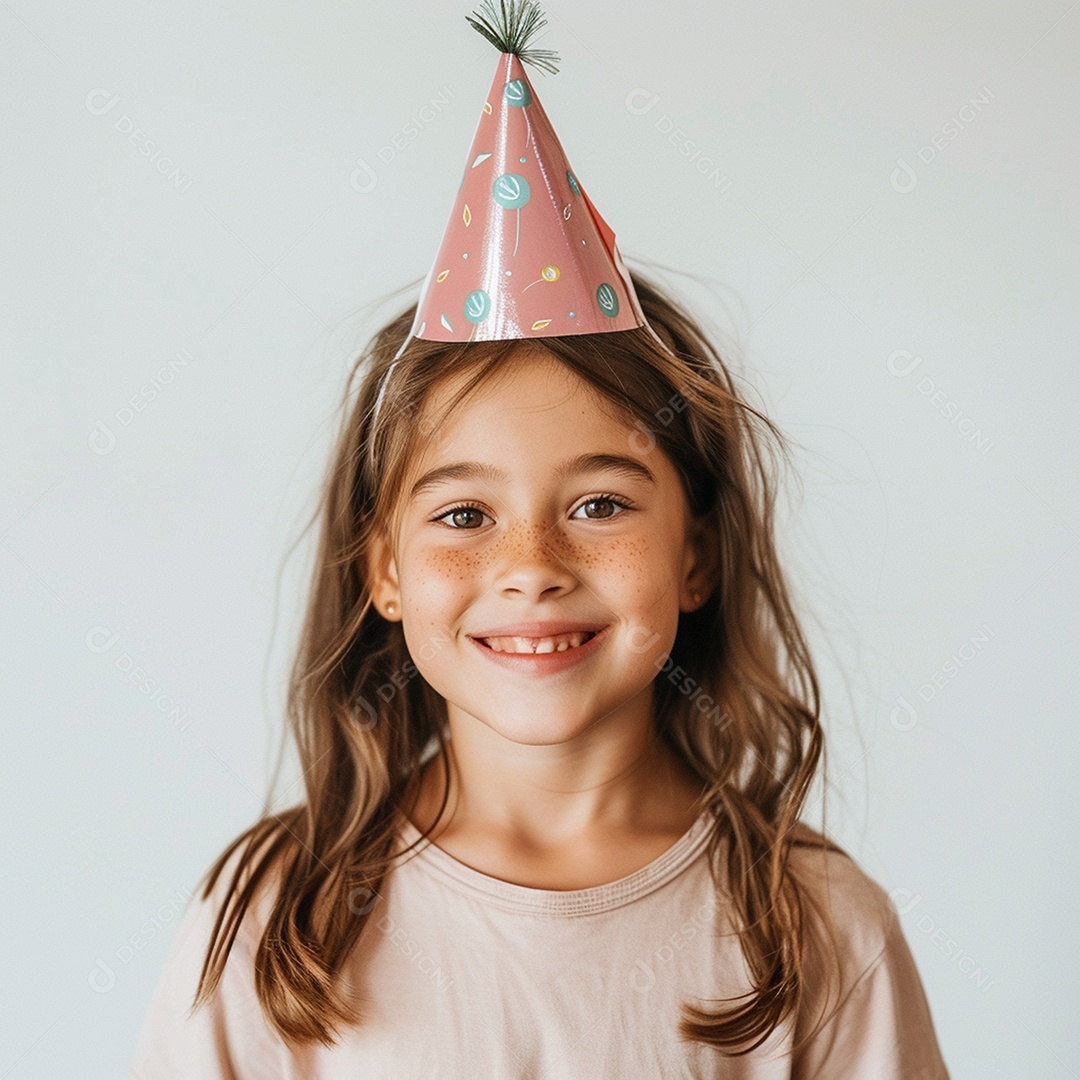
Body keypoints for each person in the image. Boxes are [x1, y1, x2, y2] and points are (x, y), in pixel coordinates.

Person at [128, 4, 950, 1077]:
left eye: (600, 505)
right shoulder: (281, 923)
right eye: (464, 516)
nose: (530, 568)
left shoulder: (820, 930)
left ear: (696, 554)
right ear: (382, 567)